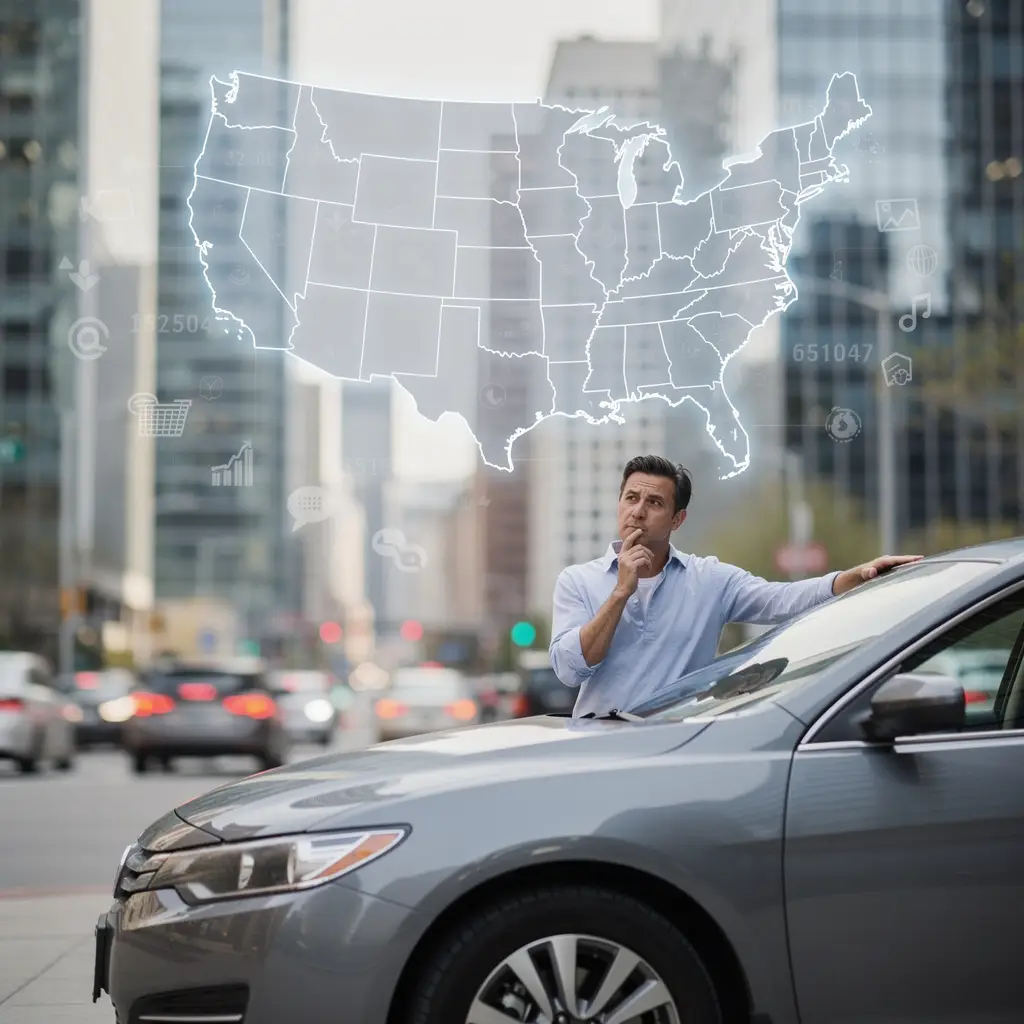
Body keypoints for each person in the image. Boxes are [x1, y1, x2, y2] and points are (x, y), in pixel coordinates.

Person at [549, 455, 922, 717]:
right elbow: (569, 671)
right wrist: (620, 593)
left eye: (654, 502)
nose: (638, 511)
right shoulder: (577, 581)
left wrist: (854, 576)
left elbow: (783, 600)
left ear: (677, 519)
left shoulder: (709, 579)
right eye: (631, 498)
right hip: (596, 744)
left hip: (677, 746)